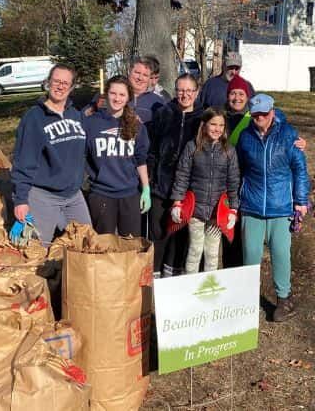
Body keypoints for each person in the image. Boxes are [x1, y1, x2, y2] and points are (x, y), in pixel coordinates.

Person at [236, 94, 310, 322]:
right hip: (252, 205)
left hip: (281, 206)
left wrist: (301, 200)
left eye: (264, 113)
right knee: (250, 255)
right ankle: (247, 302)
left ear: (272, 112)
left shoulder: (288, 135)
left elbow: (300, 169)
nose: (260, 117)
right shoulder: (245, 137)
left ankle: (284, 299)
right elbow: (236, 168)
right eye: (255, 113)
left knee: (280, 254)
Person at [10, 64, 90, 244]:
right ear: (48, 82)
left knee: (86, 243)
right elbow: (23, 161)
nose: (60, 86)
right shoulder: (34, 118)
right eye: (56, 81)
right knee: (37, 250)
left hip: (73, 195)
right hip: (43, 196)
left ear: (71, 87)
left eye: (65, 83)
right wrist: (21, 200)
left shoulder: (75, 115)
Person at [169, 107, 240, 273]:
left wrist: (233, 209)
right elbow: (182, 175)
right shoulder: (192, 147)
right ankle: (190, 286)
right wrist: (177, 203)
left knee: (212, 253)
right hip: (196, 210)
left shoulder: (229, 150)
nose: (217, 129)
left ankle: (210, 289)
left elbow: (233, 181)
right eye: (213, 124)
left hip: (218, 212)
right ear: (204, 125)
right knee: (195, 250)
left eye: (221, 125)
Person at [146, 73, 204, 277]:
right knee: (158, 233)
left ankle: (174, 279)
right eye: (180, 90)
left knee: (179, 236)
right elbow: (151, 150)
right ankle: (154, 278)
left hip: (188, 190)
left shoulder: (203, 118)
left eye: (189, 90)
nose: (184, 94)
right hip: (161, 186)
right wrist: (151, 179)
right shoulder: (164, 114)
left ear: (196, 93)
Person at [83, 75, 150, 237]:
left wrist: (146, 189)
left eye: (122, 95)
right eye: (113, 93)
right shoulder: (90, 123)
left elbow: (140, 160)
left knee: (130, 246)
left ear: (128, 98)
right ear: (106, 94)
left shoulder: (136, 125)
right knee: (103, 246)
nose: (117, 98)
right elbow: (81, 156)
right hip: (101, 195)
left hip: (129, 194)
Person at [85, 57, 166, 129]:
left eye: (145, 75)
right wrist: (93, 109)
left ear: (149, 78)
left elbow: (163, 131)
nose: (140, 78)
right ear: (129, 71)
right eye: (137, 73)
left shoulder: (158, 101)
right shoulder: (108, 94)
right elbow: (84, 116)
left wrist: (143, 127)